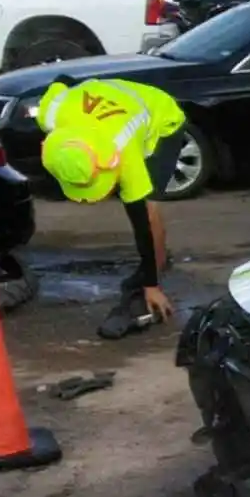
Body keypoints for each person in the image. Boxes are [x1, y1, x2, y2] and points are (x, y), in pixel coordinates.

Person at [36, 77, 187, 339]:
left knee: (148, 208)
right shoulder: (52, 112)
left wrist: (149, 283)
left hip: (162, 119)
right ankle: (153, 268)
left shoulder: (125, 148)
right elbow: (60, 81)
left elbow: (140, 221)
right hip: (116, 100)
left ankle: (155, 275)